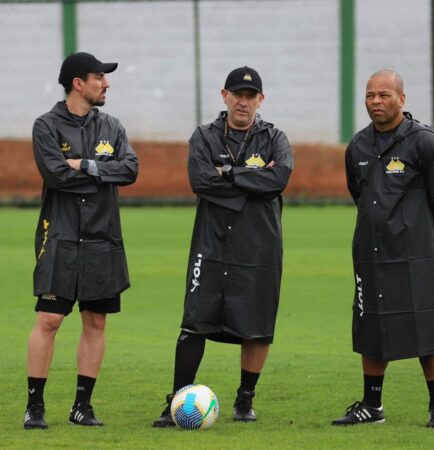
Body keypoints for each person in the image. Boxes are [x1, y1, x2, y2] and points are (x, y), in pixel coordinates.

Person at [152, 66, 293, 427]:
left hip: (259, 244)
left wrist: (228, 173)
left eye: (250, 96)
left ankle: (245, 399)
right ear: (224, 95)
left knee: (257, 325)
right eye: (237, 94)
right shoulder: (204, 136)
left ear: (260, 100)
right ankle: (178, 400)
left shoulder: (276, 138)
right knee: (195, 321)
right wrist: (252, 182)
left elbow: (278, 179)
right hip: (211, 243)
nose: (243, 102)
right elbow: (200, 181)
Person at [331, 69, 434, 428]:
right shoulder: (357, 145)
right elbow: (359, 194)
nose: (376, 102)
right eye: (370, 95)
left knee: (426, 327)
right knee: (371, 326)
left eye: (384, 95)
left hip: (412, 253)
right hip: (369, 252)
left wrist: (421, 238)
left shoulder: (425, 142)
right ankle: (372, 407)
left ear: (402, 99)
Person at [23, 52, 138, 429]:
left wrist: (85, 164)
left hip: (103, 239)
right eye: (99, 77)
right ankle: (35, 406)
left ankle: (82, 406)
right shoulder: (46, 126)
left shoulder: (112, 126)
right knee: (50, 319)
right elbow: (56, 175)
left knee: (96, 321)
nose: (106, 84)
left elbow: (131, 169)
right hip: (61, 238)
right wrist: (103, 172)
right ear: (78, 83)